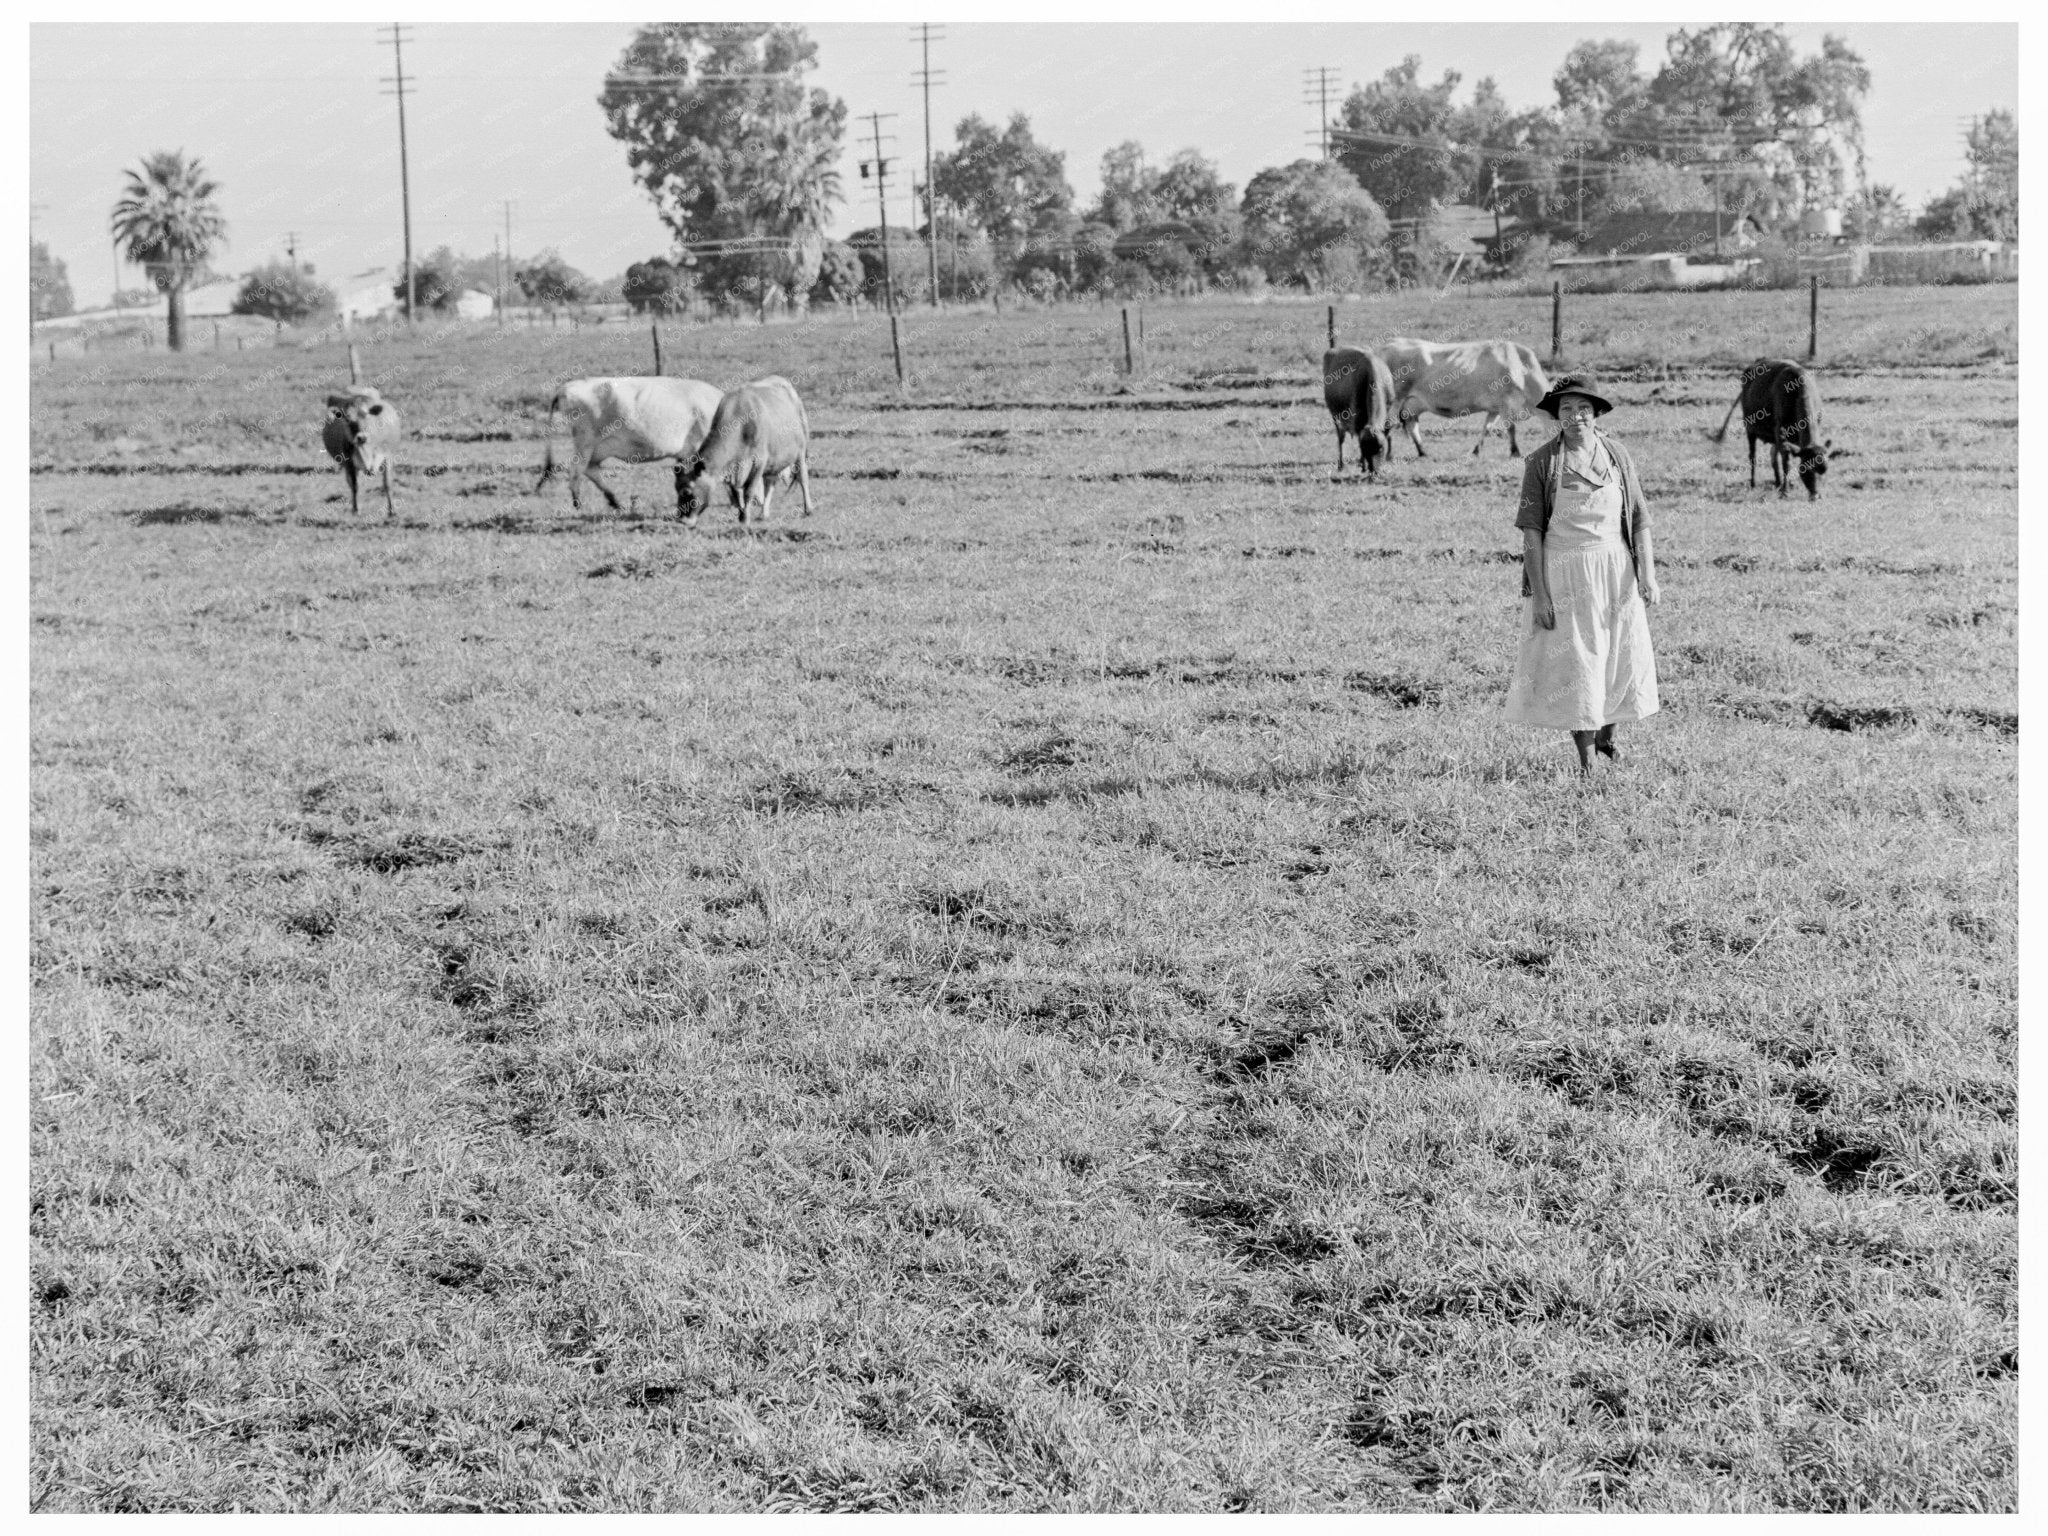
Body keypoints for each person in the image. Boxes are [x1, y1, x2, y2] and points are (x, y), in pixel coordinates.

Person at [1503, 373, 1660, 772]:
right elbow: (1531, 531)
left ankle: (1608, 738)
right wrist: (1540, 594)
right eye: (1567, 409)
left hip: (1615, 567)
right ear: (1556, 416)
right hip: (1565, 572)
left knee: (1618, 654)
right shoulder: (1541, 462)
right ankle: (1587, 763)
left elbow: (1639, 517)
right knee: (1578, 662)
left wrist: (1648, 574)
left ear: (1596, 414)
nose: (1576, 417)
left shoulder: (1618, 455)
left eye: (1584, 409)